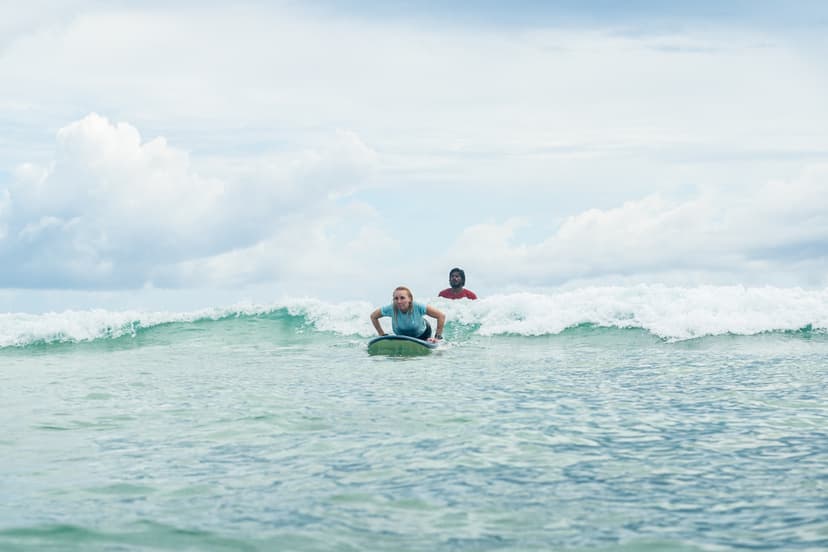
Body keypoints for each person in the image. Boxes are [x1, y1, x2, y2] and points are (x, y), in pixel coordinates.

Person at [370, 286, 446, 342]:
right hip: (402, 337)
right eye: (396, 298)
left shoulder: (418, 306)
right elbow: (373, 316)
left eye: (402, 298)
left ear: (410, 299)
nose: (399, 301)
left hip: (423, 334)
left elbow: (441, 316)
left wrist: (437, 337)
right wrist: (381, 334)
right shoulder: (391, 308)